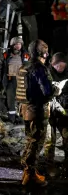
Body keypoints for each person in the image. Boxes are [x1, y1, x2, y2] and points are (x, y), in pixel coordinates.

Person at [20, 39, 60, 186]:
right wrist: (57, 90)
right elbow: (47, 91)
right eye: (45, 48)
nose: (47, 51)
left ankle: (27, 171)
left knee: (30, 141)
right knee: (36, 142)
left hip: (26, 109)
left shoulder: (25, 66)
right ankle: (30, 176)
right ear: (40, 52)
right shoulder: (39, 68)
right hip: (37, 111)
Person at [0, 36, 30, 123]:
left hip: (22, 81)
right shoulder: (6, 54)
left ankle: (23, 119)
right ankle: (12, 119)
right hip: (10, 80)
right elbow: (0, 68)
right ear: (12, 45)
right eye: (16, 44)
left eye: (20, 44)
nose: (18, 46)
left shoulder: (26, 55)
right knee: (10, 100)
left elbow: (30, 67)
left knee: (23, 100)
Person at [44, 52, 68, 167]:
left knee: (67, 135)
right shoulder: (46, 73)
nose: (60, 68)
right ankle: (49, 162)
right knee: (49, 139)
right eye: (58, 66)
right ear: (53, 64)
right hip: (49, 110)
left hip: (64, 111)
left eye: (62, 66)